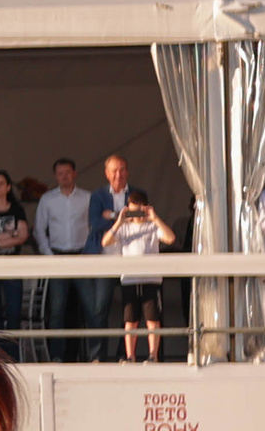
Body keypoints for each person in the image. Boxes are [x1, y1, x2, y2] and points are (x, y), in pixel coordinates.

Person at [104, 186, 176, 363]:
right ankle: (130, 356)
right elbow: (106, 242)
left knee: (152, 319)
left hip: (151, 280)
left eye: (139, 211)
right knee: (130, 321)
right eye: (132, 211)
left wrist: (155, 218)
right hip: (130, 279)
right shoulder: (124, 228)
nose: (136, 215)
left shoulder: (153, 227)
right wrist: (119, 221)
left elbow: (170, 238)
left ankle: (153, 355)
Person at [34, 157, 95, 363]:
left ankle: (95, 356)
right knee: (57, 311)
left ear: (75, 174)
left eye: (68, 172)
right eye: (60, 173)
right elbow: (39, 230)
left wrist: (88, 254)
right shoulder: (47, 199)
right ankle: (57, 355)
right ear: (55, 176)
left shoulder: (87, 198)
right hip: (57, 257)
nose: (64, 176)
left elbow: (94, 229)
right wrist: (49, 256)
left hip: (81, 257)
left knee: (91, 309)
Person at [0, 170, 36, 358]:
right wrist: (12, 234)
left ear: (9, 187)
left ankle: (13, 357)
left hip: (13, 267)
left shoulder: (17, 210)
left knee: (13, 313)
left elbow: (23, 236)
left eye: (2, 183)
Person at [88, 153, 133, 365]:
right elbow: (95, 223)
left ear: (127, 172)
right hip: (105, 260)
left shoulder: (136, 193)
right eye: (114, 170)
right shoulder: (97, 195)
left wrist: (112, 215)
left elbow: (140, 218)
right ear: (107, 174)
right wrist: (122, 217)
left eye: (122, 169)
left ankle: (124, 354)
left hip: (130, 259)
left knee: (129, 310)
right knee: (100, 310)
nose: (118, 174)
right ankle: (98, 356)